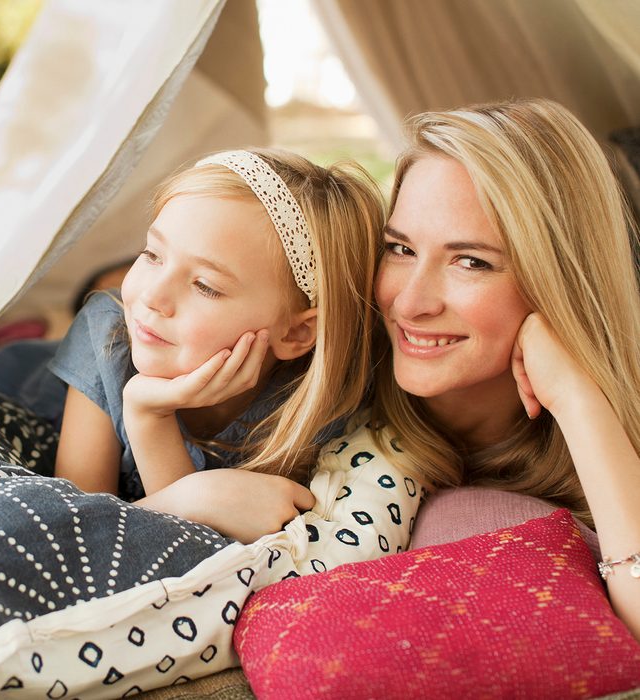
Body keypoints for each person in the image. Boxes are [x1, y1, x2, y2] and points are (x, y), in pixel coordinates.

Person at [365, 97, 640, 641]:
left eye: (471, 261)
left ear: (558, 279)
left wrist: (581, 405)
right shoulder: (332, 393)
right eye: (399, 248)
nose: (410, 302)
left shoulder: (603, 428)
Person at [44, 148, 384, 522]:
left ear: (297, 332)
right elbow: (76, 529)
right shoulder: (106, 333)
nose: (152, 297)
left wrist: (152, 423)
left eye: (205, 286)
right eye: (152, 254)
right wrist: (148, 421)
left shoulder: (319, 404)